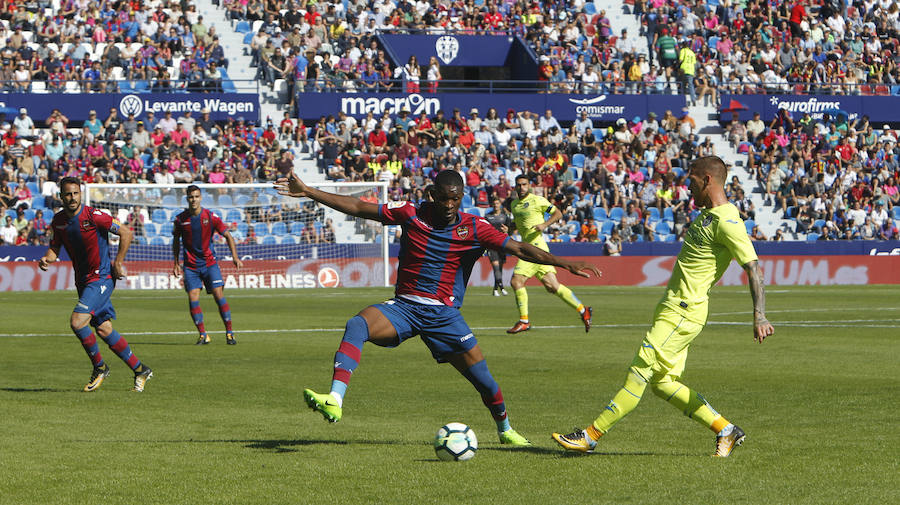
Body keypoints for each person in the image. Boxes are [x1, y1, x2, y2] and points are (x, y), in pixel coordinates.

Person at [274, 170, 600, 445]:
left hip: (444, 317)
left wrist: (563, 263)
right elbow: (359, 206)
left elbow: (519, 248)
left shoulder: (474, 227)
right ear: (431, 193)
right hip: (404, 308)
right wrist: (307, 191)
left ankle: (505, 430)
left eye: (454, 199)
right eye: (443, 197)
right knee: (357, 324)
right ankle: (335, 399)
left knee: (484, 381)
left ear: (461, 197)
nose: (448, 205)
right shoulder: (410, 213)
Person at [552, 156, 774, 457]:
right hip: (674, 308)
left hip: (683, 311)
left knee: (639, 370)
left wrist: (759, 315)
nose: (688, 185)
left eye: (692, 179)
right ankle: (726, 429)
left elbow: (753, 267)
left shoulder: (727, 220)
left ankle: (590, 436)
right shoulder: (709, 215)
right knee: (662, 382)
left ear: (707, 179)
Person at [38, 177, 153, 392]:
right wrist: (47, 259)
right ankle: (140, 369)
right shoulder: (59, 221)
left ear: (80, 194)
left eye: (75, 193)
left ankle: (100, 367)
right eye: (67, 194)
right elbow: (55, 248)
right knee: (103, 329)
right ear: (61, 196)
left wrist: (118, 262)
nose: (72, 198)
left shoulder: (95, 216)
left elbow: (126, 232)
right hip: (82, 280)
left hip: (101, 278)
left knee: (77, 322)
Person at [506, 175, 593, 334]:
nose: (522, 187)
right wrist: (509, 230)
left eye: (524, 184)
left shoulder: (537, 200)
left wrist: (544, 224)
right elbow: (519, 224)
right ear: (515, 187)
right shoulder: (514, 204)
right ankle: (583, 310)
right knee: (552, 286)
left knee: (516, 281)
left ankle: (524, 321)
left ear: (529, 185)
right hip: (532, 247)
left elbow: (558, 214)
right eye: (518, 185)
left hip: (535, 247)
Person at [172, 185, 244, 345]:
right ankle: (203, 335)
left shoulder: (211, 217)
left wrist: (235, 257)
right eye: (191, 197)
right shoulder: (180, 219)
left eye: (196, 196)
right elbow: (176, 240)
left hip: (209, 264)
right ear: (187, 199)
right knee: (193, 299)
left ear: (201, 198)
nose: (194, 200)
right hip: (190, 266)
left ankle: (230, 333)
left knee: (219, 296)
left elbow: (228, 235)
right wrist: (176, 263)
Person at [483, 198, 513, 296]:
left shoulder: (505, 217)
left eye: (497, 203)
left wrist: (507, 231)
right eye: (494, 203)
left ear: (500, 204)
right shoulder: (488, 217)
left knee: (500, 268)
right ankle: (502, 287)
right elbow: (483, 231)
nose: (496, 205)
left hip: (502, 245)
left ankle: (496, 289)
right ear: (492, 205)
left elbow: (510, 230)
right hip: (491, 245)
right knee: (496, 267)